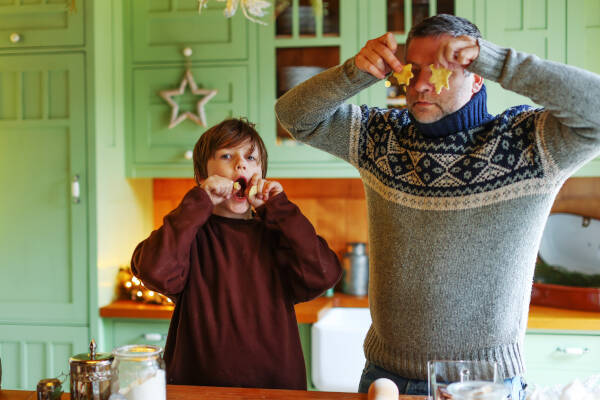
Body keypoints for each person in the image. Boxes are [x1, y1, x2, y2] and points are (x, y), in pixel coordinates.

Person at [275, 13, 600, 399]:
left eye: (443, 69)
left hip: (485, 384)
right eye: (413, 70)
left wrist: (498, 61)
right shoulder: (381, 137)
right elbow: (294, 116)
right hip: (385, 379)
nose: (422, 84)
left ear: (477, 75)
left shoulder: (528, 143)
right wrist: (354, 73)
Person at [131, 118, 342, 389]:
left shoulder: (277, 233)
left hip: (275, 391)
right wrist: (199, 202)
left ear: (261, 171)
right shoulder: (189, 234)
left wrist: (280, 209)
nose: (240, 164)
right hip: (199, 391)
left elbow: (324, 274)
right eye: (227, 155)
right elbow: (153, 269)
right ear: (202, 176)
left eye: (250, 157)